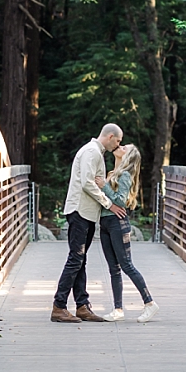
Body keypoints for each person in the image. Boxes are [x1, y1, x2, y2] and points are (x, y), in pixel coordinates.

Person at [51, 123, 126, 323]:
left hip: (87, 213)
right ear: (110, 136)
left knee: (80, 260)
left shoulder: (96, 153)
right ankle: (59, 306)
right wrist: (109, 204)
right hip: (80, 211)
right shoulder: (92, 152)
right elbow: (86, 183)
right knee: (76, 258)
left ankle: (82, 306)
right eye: (118, 141)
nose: (118, 145)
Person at [95, 143, 158, 323]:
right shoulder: (112, 174)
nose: (120, 146)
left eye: (124, 148)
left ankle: (150, 303)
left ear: (128, 157)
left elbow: (121, 201)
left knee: (127, 265)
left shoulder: (124, 175)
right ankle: (118, 309)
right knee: (113, 269)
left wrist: (103, 186)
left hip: (117, 224)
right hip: (106, 223)